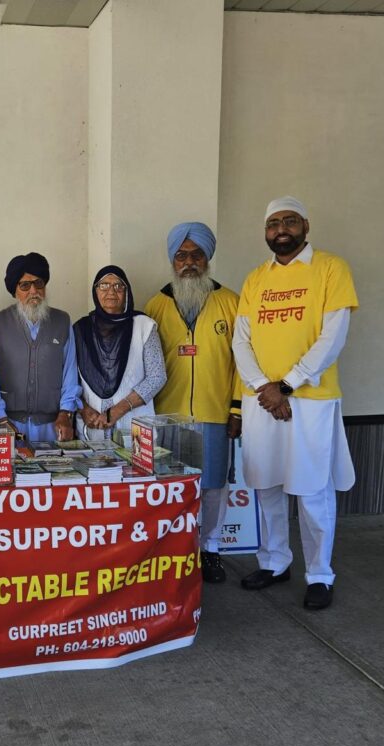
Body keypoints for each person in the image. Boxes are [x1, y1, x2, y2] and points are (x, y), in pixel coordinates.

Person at [233, 196, 358, 610]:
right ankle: (274, 562)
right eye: (273, 223)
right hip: (262, 400)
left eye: (289, 221)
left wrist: (286, 385)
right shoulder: (256, 278)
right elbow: (241, 340)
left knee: (312, 491)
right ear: (266, 232)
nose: (281, 229)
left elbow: (333, 337)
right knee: (265, 484)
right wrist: (263, 387)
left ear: (305, 225)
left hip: (310, 400)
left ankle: (320, 574)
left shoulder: (331, 268)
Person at [144, 222, 241, 583]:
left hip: (215, 414)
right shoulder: (155, 306)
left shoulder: (231, 302)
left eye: (196, 255)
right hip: (167, 417)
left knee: (213, 486)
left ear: (207, 258)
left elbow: (244, 363)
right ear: (172, 260)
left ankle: (210, 549)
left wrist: (237, 409)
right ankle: (174, 552)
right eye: (181, 255)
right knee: (171, 486)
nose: (188, 262)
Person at [0, 252, 81, 443]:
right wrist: (0, 418)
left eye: (39, 283)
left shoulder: (62, 321)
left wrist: (66, 413)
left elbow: (70, 371)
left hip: (53, 425)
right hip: (8, 424)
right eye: (25, 285)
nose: (33, 291)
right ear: (15, 290)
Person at [74, 266, 166, 442]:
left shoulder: (144, 326)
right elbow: (70, 380)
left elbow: (157, 377)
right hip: (92, 428)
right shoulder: (80, 329)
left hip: (136, 426)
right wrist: (84, 409)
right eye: (104, 285)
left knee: (135, 459)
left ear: (126, 292)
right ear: (95, 291)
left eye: (118, 286)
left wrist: (119, 409)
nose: (111, 291)